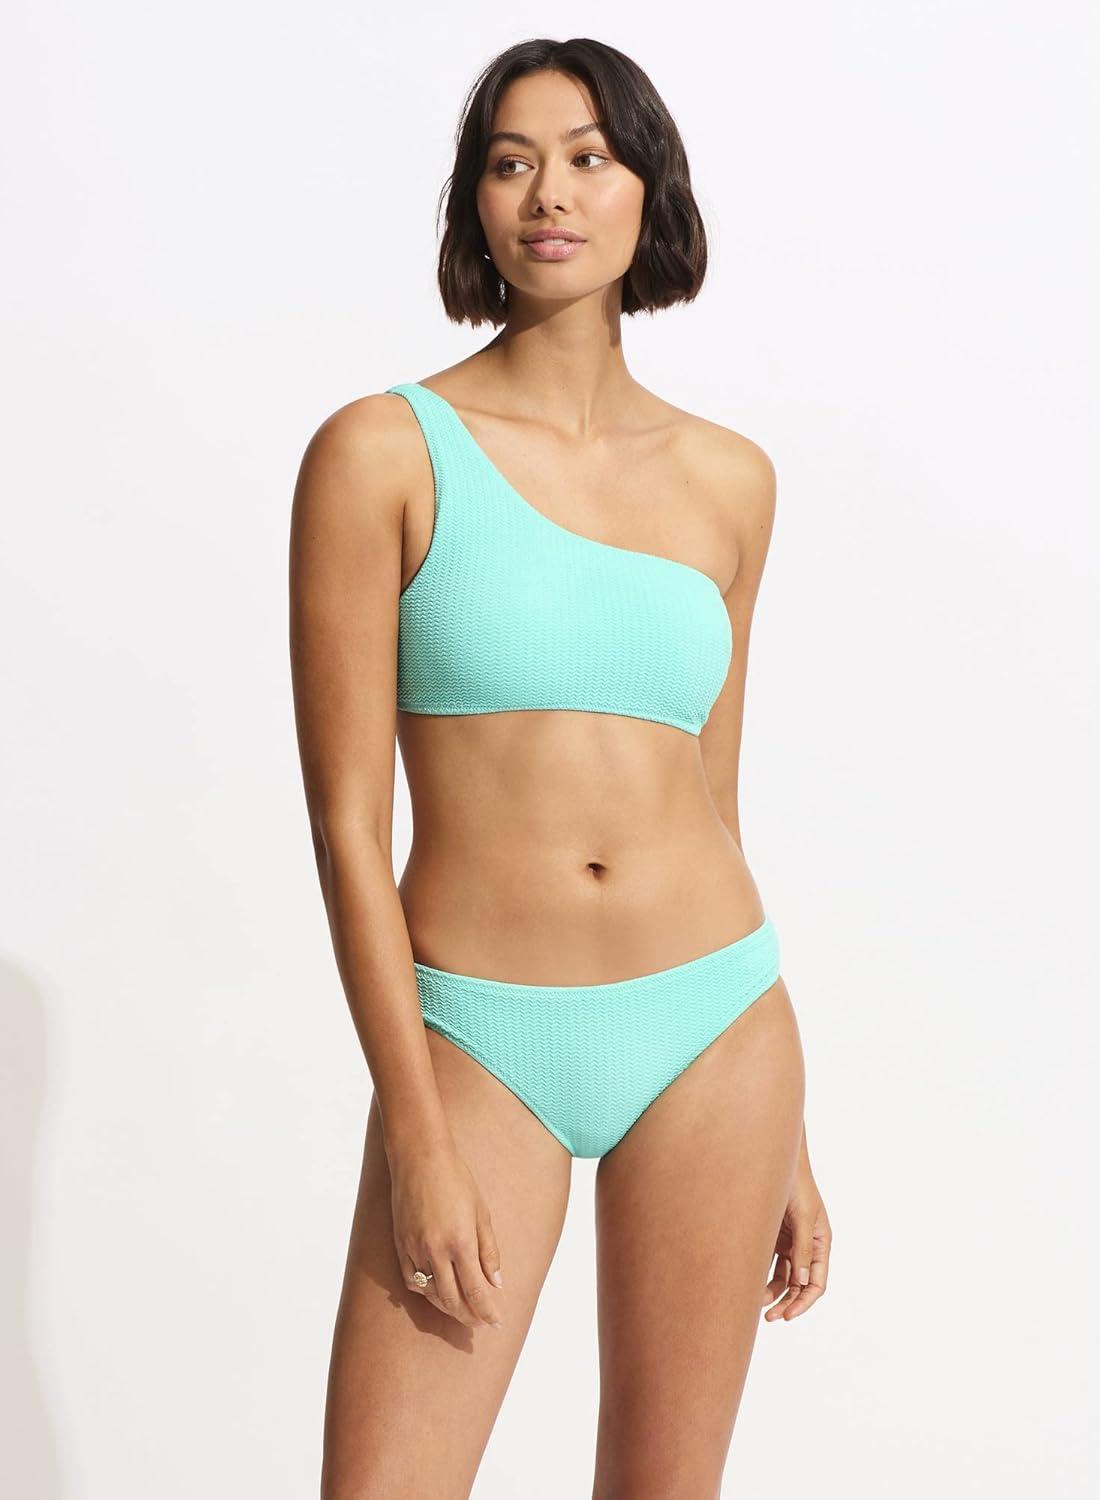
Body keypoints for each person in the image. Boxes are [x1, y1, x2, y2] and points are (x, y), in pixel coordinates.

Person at [290, 36, 832, 1500]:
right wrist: (415, 1133)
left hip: (716, 1025)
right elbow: (346, 826)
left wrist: (789, 1138)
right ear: (475, 203)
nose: (550, 193)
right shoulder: (382, 454)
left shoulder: (731, 481)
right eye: (512, 160)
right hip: (478, 1036)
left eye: (591, 157)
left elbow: (713, 794)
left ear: (651, 192)